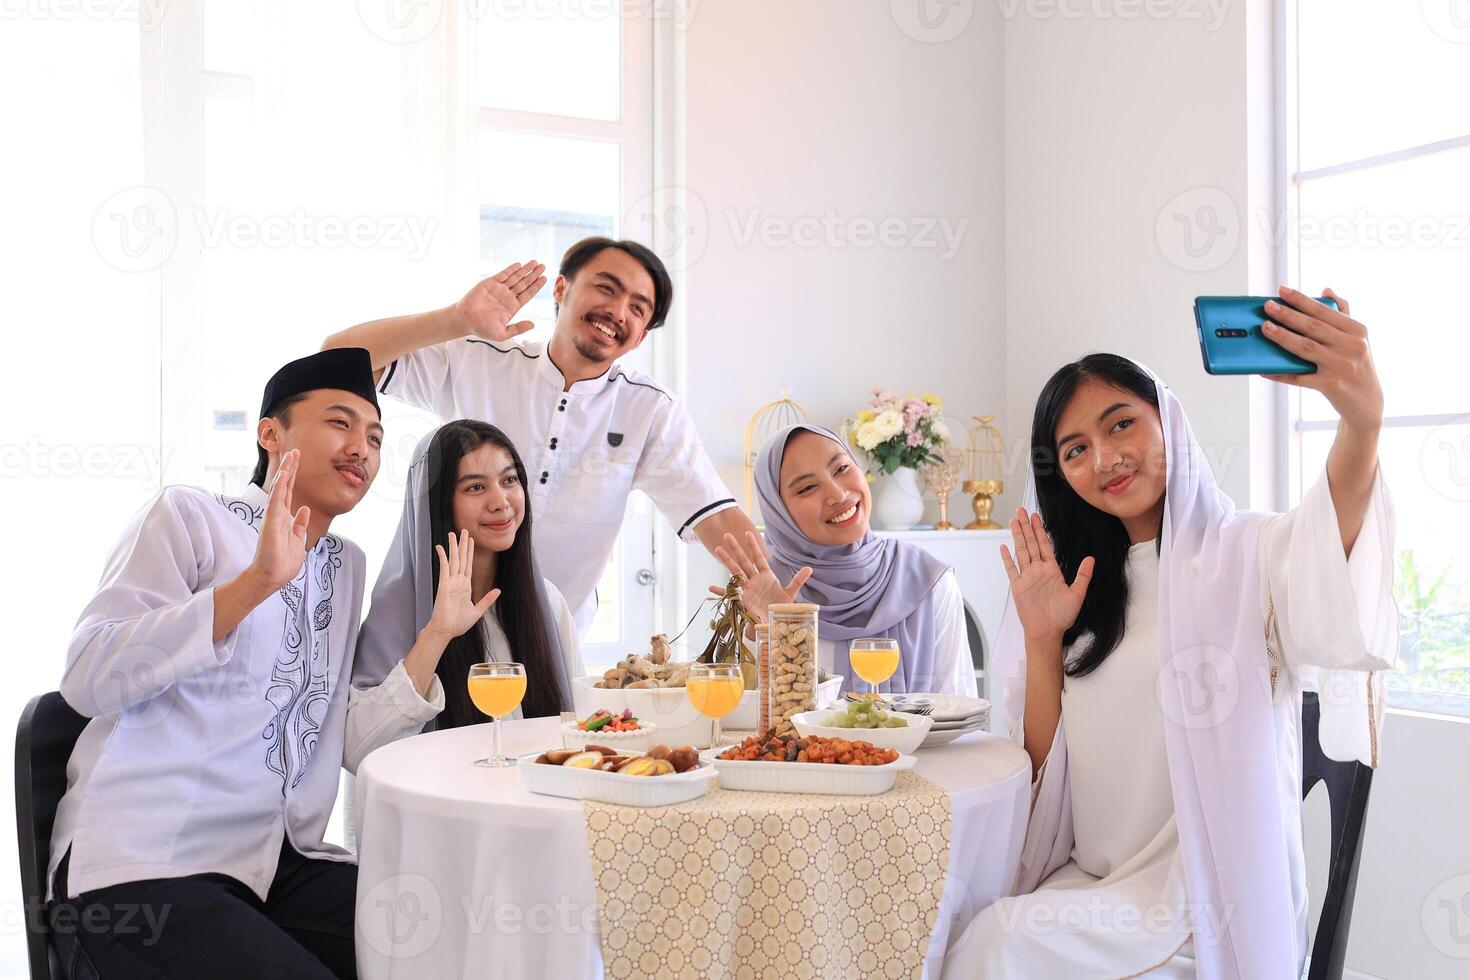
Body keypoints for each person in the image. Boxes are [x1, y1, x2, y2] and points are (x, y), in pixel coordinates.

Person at [944, 289, 1398, 978]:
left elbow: (1328, 541)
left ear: (1170, 423)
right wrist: (1043, 641)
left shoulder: (1247, 553)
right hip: (1088, 886)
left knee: (998, 943)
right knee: (959, 927)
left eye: (1121, 424)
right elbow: (1043, 774)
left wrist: (1361, 424)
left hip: (1201, 908)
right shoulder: (1083, 588)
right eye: (1075, 449)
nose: (1103, 458)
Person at [46, 348, 444, 979]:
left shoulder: (347, 567)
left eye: (374, 437)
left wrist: (438, 633)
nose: (362, 449)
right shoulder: (189, 516)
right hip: (149, 865)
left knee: (449, 950)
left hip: (284, 865)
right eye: (340, 423)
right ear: (270, 433)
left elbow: (341, 739)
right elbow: (88, 675)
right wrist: (251, 586)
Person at [321, 236, 760, 634]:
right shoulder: (479, 357)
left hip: (549, 636)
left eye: (637, 307)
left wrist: (773, 598)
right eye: (606, 288)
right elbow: (338, 357)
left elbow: (714, 515)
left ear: (640, 337)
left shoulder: (650, 410)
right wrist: (456, 319)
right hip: (435, 621)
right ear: (562, 288)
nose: (617, 311)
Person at [711, 423, 979, 696]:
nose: (838, 494)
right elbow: (753, 723)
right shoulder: (761, 592)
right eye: (808, 488)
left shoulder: (928, 581)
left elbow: (956, 708)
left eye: (841, 469)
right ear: (778, 511)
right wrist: (774, 629)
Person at [353, 419, 583, 729]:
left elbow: (577, 719)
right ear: (438, 504)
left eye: (510, 480)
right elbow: (357, 750)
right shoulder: (400, 611)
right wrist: (438, 634)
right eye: (476, 487)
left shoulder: (548, 601)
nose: (501, 502)